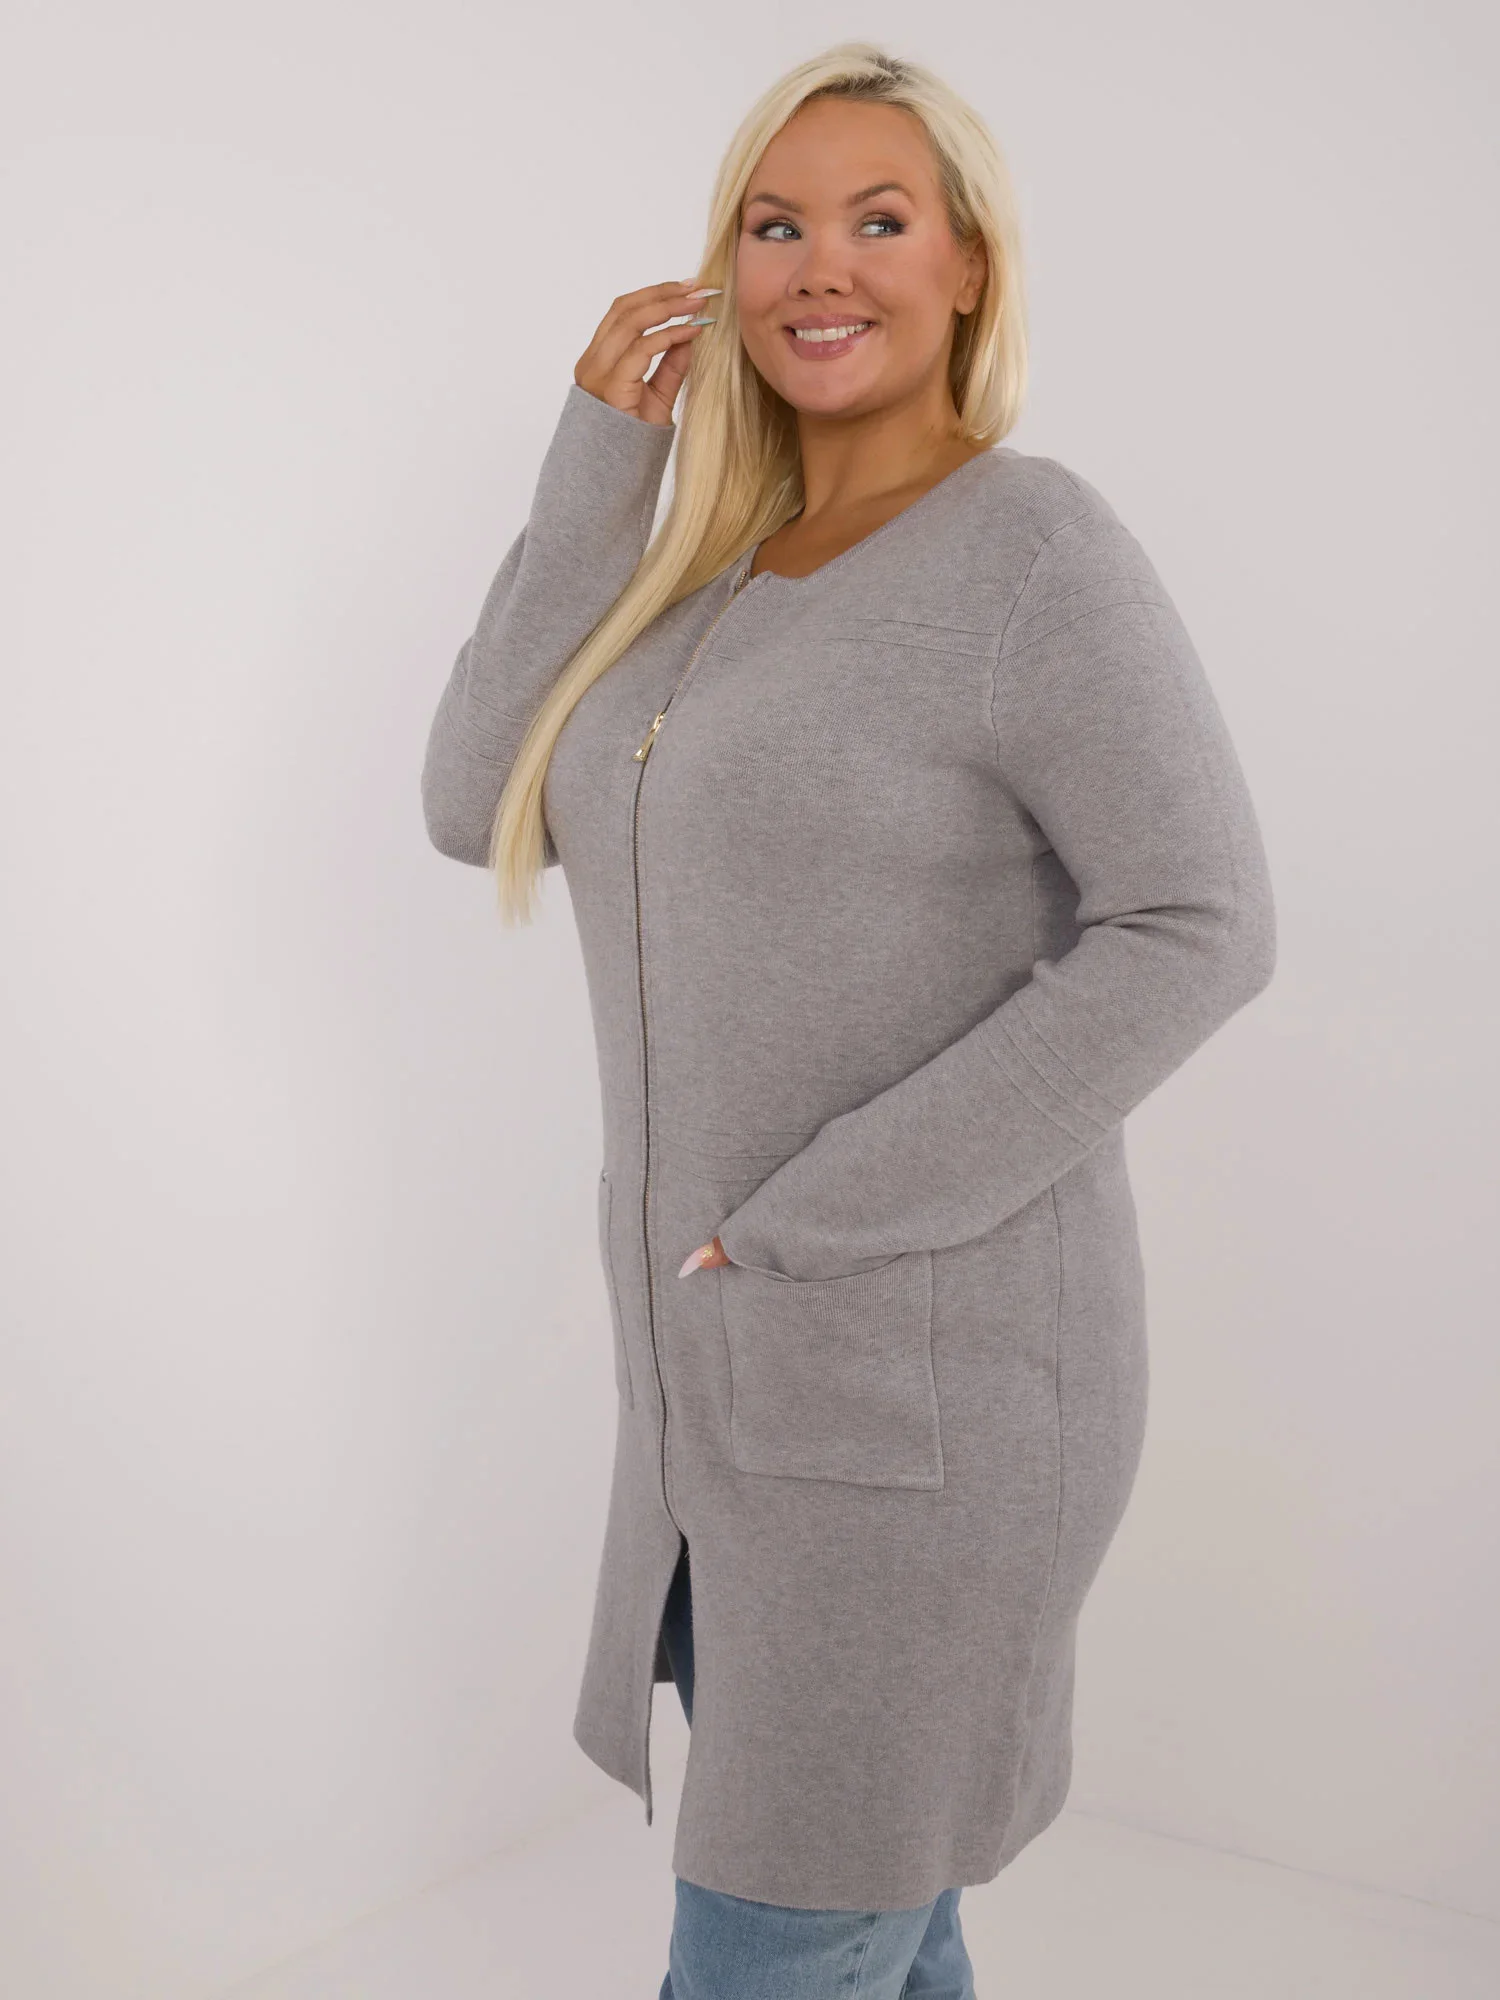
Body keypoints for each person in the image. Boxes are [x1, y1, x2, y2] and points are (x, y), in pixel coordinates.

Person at [420, 39, 1276, 2000]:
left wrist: (823, 1216)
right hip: (719, 1400)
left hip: (925, 1403)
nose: (822, 264)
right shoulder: (704, 579)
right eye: (774, 222)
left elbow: (1200, 923)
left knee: (788, 1925)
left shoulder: (1035, 552)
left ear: (968, 265)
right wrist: (601, 469)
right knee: (877, 1917)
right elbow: (476, 799)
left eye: (880, 220)